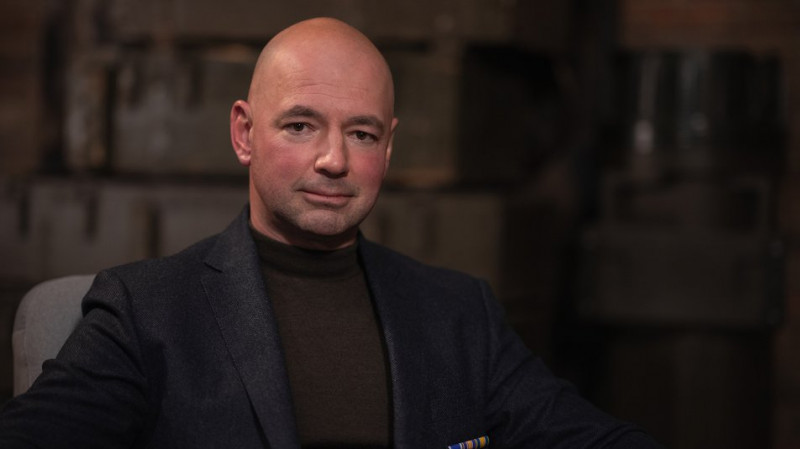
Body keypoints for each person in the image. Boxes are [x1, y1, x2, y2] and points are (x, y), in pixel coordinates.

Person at [0, 17, 661, 449]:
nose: (334, 160)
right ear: (244, 133)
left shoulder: (461, 314)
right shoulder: (146, 310)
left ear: (389, 148)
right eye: (300, 125)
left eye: (362, 134)